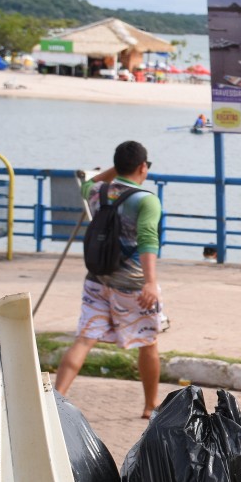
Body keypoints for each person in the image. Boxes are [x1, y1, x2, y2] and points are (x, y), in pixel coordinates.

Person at [55, 141, 164, 418]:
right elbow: (148, 240)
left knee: (83, 340)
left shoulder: (95, 191)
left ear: (117, 166)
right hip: (132, 285)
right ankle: (150, 406)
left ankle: (55, 400)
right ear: (143, 167)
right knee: (148, 343)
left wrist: (114, 169)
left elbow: (89, 182)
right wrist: (150, 282)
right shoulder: (146, 200)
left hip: (97, 279)